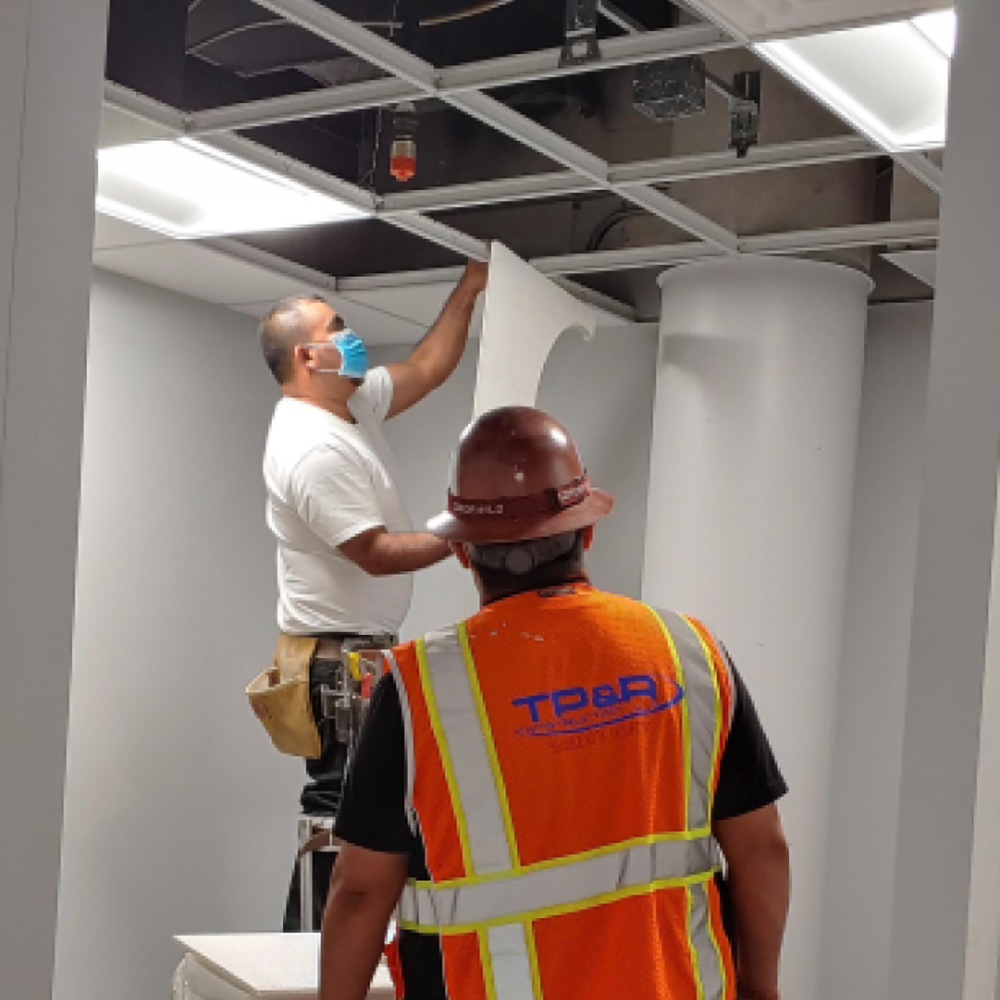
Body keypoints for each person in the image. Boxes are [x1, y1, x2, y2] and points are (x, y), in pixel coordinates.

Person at [320, 406, 790, 1000]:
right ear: (587, 529)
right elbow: (762, 846)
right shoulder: (689, 653)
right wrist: (762, 988)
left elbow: (361, 891)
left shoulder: (418, 689)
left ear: (462, 550)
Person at [258, 259, 488, 930]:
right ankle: (311, 960)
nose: (353, 335)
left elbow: (428, 367)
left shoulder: (348, 406)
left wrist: (471, 285)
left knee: (357, 811)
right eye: (339, 327)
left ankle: (330, 954)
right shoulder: (309, 448)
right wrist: (471, 530)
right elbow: (377, 553)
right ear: (308, 354)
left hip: (359, 655)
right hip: (336, 664)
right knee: (341, 817)